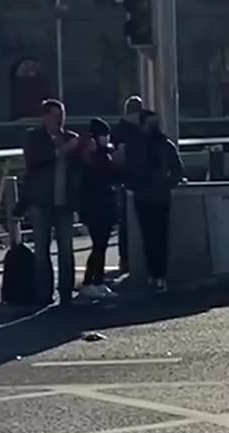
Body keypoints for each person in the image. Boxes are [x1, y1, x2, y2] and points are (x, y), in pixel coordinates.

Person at [22, 98, 82, 306]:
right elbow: (34, 162)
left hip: (64, 202)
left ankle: (66, 293)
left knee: (66, 250)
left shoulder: (71, 137)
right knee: (42, 250)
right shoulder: (34, 138)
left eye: (61, 116)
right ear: (45, 117)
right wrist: (63, 150)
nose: (59, 120)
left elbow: (80, 169)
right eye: (55, 116)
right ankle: (43, 294)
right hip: (41, 202)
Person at [129, 109, 183, 292]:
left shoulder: (159, 145)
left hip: (155, 196)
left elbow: (177, 169)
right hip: (147, 196)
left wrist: (166, 184)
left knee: (157, 237)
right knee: (151, 237)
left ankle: (158, 274)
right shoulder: (140, 145)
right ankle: (155, 274)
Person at [78, 118, 118, 298]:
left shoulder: (100, 154)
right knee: (99, 245)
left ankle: (97, 281)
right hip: (96, 205)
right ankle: (91, 281)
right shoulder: (94, 155)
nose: (106, 138)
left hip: (100, 205)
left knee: (100, 245)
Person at [112, 95, 144, 274]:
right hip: (133, 181)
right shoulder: (137, 130)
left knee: (125, 222)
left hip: (123, 181)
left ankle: (125, 259)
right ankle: (130, 258)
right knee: (132, 221)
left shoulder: (119, 130)